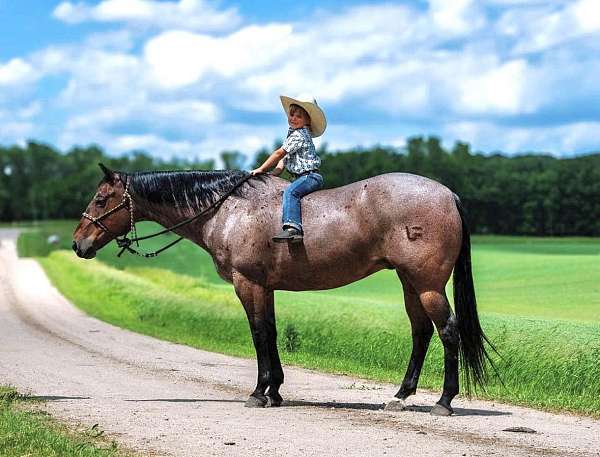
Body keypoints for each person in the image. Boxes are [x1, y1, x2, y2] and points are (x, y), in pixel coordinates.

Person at [251, 95, 327, 243]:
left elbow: (279, 153)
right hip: (302, 177)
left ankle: (293, 228)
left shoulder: (299, 135)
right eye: (292, 114)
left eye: (299, 116)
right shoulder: (292, 136)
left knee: (291, 192)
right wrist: (269, 175)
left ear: (307, 121)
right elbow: (281, 164)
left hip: (309, 177)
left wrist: (261, 168)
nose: (293, 118)